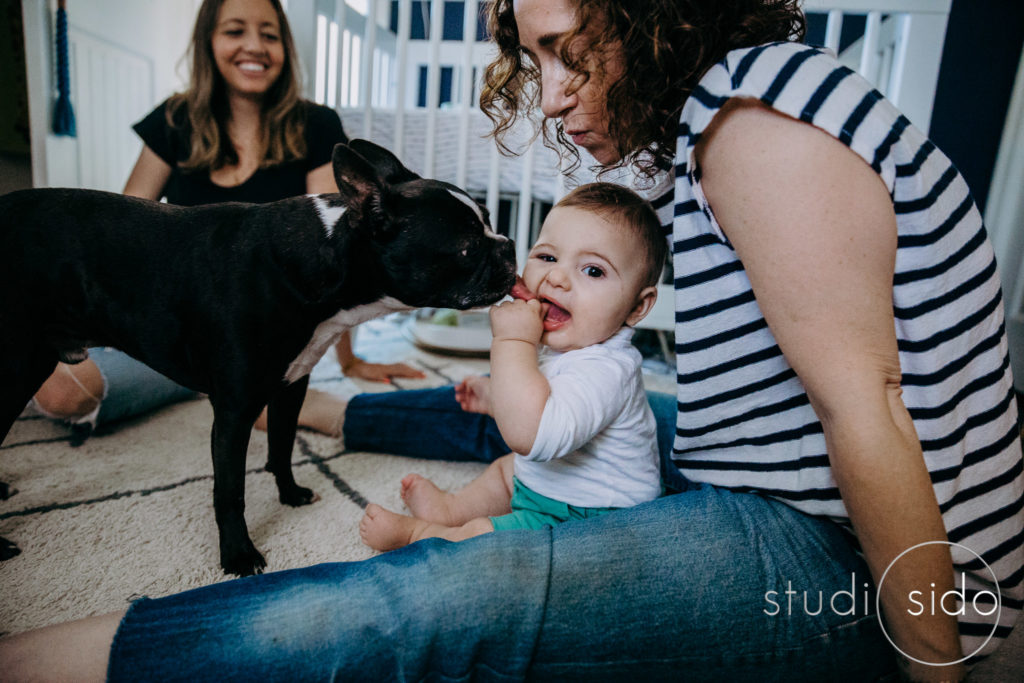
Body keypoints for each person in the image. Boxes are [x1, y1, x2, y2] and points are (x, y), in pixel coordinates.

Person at [2, 0, 1021, 680]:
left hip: (838, 558)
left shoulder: (758, 126)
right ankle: (337, 403)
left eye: (570, 45)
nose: (554, 87)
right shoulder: (738, 108)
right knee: (604, 404)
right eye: (535, 55)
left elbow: (868, 406)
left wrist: (931, 655)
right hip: (771, 478)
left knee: (460, 590)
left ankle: (74, 653)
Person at [28, 0, 422, 439]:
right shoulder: (174, 120)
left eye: (270, 35)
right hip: (173, 327)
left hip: (263, 336)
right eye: (235, 31)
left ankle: (230, 384)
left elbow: (337, 255)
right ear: (208, 42)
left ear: (285, 48)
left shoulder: (317, 125)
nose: (254, 46)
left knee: (279, 402)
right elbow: (120, 236)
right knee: (57, 385)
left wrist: (348, 361)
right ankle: (213, 382)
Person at [359, 183, 665, 551]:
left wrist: (512, 343)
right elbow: (545, 396)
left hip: (591, 520)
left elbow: (531, 437)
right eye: (548, 257)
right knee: (505, 471)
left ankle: (423, 535)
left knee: (486, 541)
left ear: (637, 306)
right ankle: (452, 508)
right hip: (554, 487)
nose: (557, 278)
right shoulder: (570, 343)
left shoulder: (607, 369)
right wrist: (495, 398)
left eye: (593, 271)